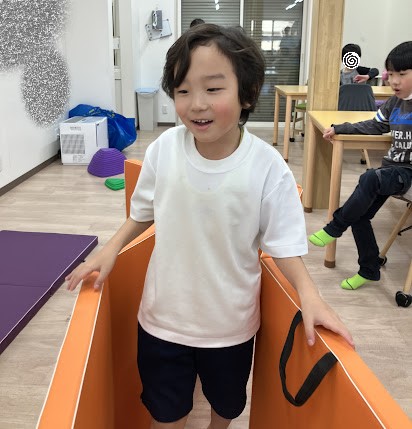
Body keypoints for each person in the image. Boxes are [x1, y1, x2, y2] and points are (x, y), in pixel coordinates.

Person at [66, 24, 353, 429]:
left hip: (231, 326)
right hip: (162, 320)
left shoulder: (267, 166)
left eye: (213, 89)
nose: (196, 104)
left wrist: (310, 295)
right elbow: (143, 211)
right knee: (166, 412)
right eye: (183, 90)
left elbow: (284, 245)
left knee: (226, 406)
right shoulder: (164, 149)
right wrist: (110, 248)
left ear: (247, 93)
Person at [309, 41, 412, 290]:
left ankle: (335, 226)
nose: (394, 81)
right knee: (360, 213)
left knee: (369, 179)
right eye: (391, 74)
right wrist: (340, 128)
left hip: (408, 174)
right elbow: (375, 125)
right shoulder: (394, 103)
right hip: (391, 171)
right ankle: (369, 270)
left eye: (402, 74)